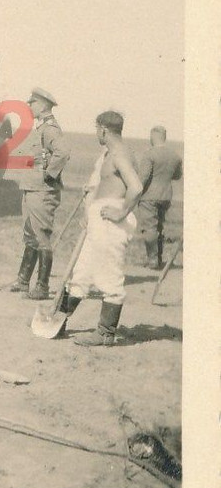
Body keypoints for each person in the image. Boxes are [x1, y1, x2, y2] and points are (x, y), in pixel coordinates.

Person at [56, 110, 143, 347]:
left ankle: (105, 333)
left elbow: (136, 187)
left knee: (108, 276)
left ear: (103, 128)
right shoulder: (111, 153)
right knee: (81, 273)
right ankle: (58, 320)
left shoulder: (120, 154)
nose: (96, 134)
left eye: (97, 129)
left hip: (110, 221)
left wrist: (121, 211)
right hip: (100, 220)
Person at [5, 87, 70, 299]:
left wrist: (49, 175)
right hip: (32, 188)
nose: (29, 106)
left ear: (42, 105)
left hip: (42, 191)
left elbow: (63, 152)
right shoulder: (41, 128)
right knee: (30, 235)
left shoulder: (50, 129)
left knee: (41, 237)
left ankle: (41, 287)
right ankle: (23, 281)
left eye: (32, 103)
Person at [135, 125, 183, 269]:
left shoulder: (149, 154)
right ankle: (159, 259)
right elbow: (177, 176)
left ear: (152, 137)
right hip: (166, 196)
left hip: (149, 196)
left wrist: (134, 193)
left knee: (149, 229)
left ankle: (153, 260)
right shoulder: (175, 156)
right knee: (160, 228)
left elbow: (142, 178)